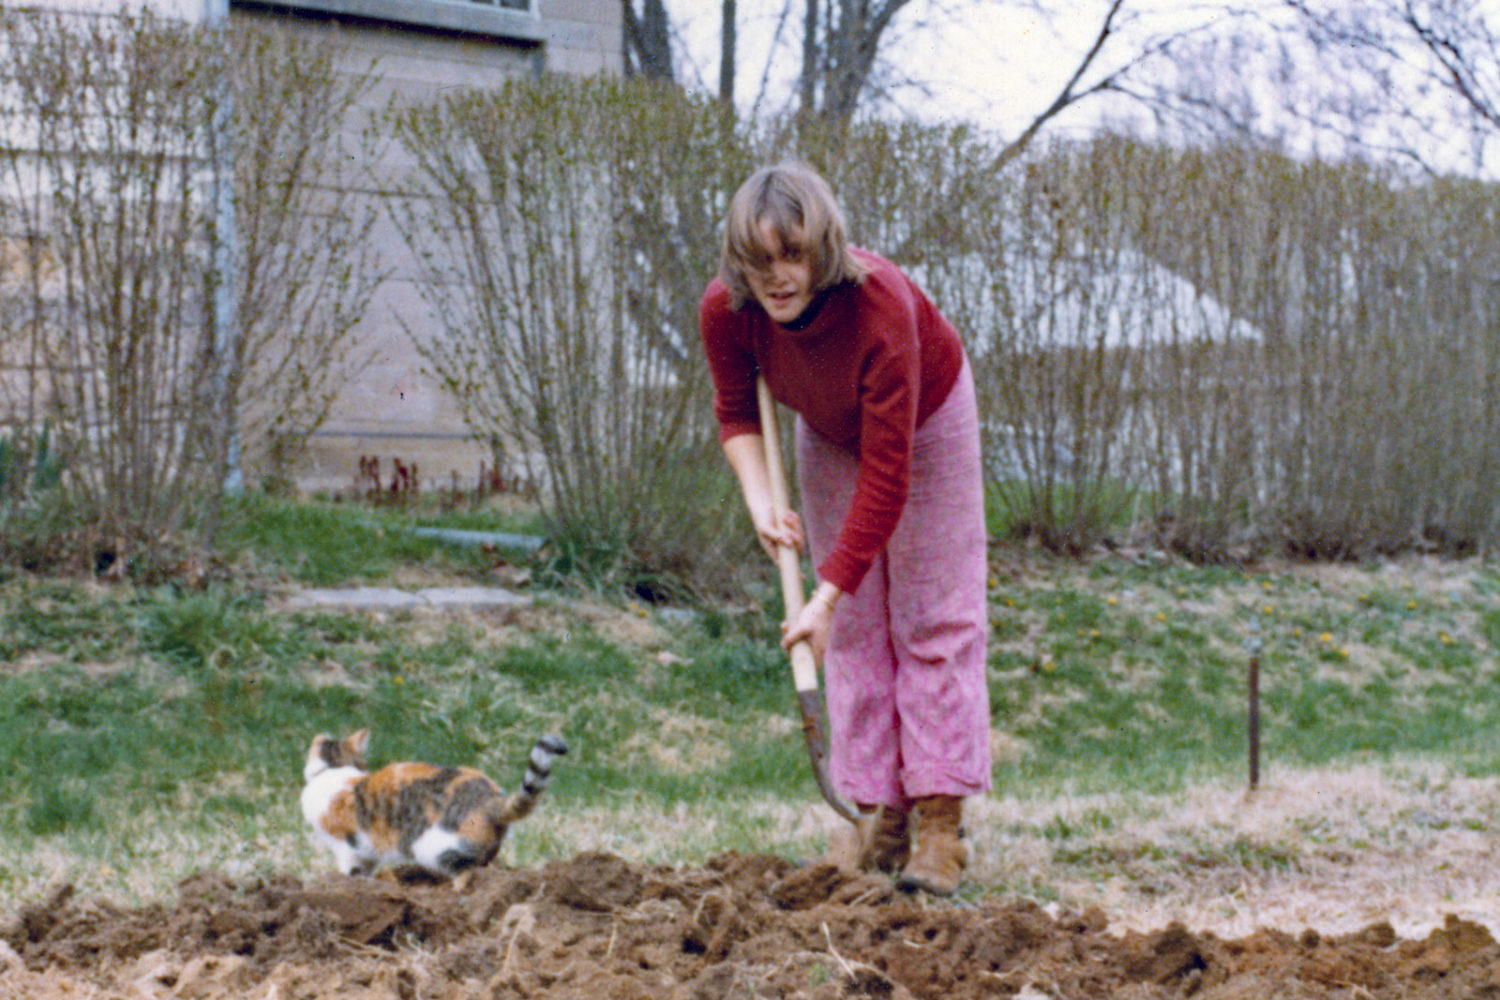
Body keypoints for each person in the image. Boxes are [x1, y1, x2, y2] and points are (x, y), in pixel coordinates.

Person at [698, 161, 991, 895]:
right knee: (854, 627)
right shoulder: (727, 310)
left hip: (925, 423)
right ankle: (874, 812)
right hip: (827, 431)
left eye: (792, 254)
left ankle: (939, 824)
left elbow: (888, 478)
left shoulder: (879, 308)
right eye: (759, 260)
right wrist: (762, 501)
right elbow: (737, 411)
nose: (778, 276)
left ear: (822, 246)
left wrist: (821, 597)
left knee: (930, 617)